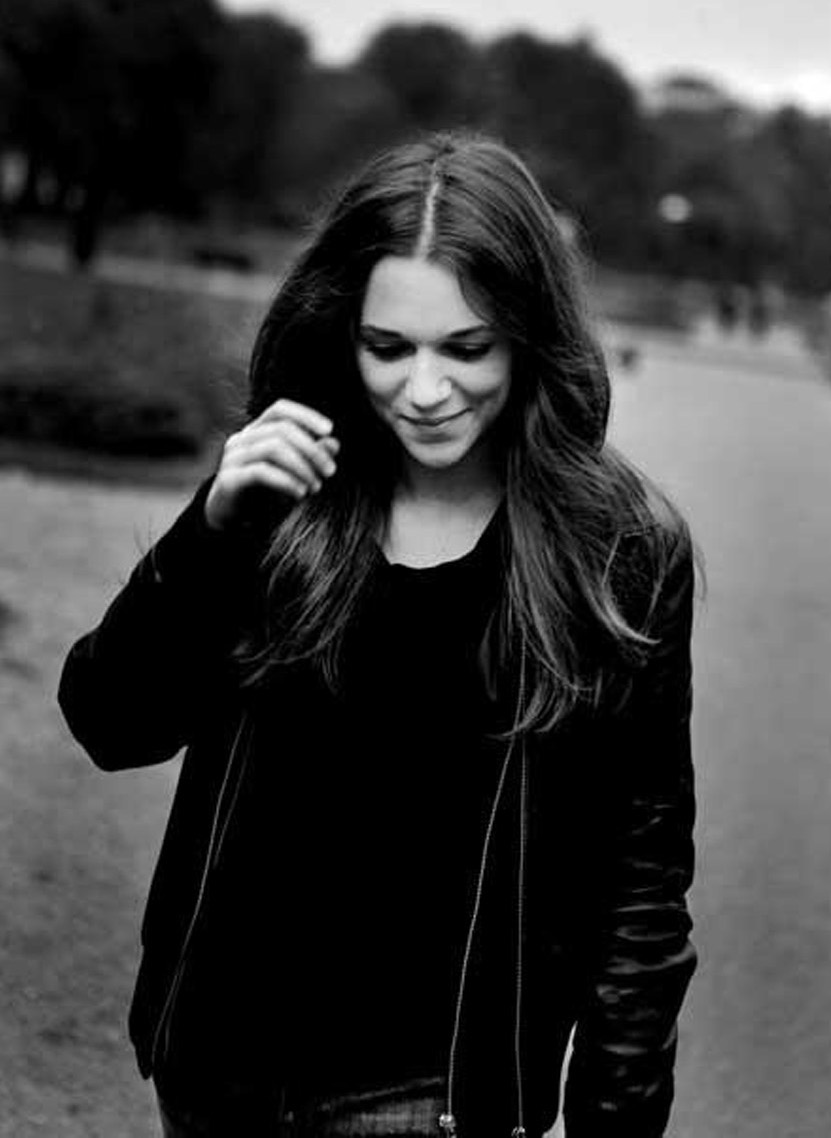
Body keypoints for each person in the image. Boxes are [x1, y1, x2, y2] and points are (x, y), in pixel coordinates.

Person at [58, 131, 699, 1138]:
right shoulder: (284, 494)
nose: (425, 390)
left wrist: (615, 1118)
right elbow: (112, 722)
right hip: (218, 1072)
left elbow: (642, 888)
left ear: (529, 335)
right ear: (342, 332)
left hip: (425, 1095)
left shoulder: (617, 554)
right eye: (388, 348)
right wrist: (211, 530)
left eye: (467, 349)